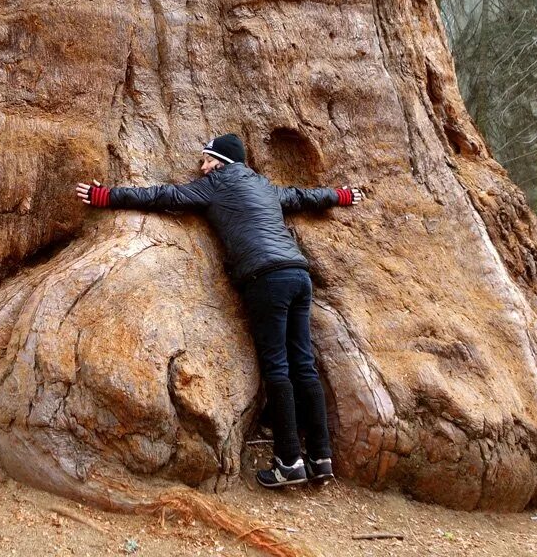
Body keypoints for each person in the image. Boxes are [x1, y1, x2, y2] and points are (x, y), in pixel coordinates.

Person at [75, 133, 364, 488]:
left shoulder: (214, 185)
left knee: (278, 366)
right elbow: (303, 197)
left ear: (221, 163)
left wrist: (107, 196)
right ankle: (320, 458)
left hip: (266, 278)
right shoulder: (264, 186)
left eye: (206, 160)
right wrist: (342, 195)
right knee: (303, 363)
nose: (201, 167)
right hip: (298, 274)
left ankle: (289, 460)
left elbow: (164, 196)